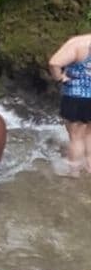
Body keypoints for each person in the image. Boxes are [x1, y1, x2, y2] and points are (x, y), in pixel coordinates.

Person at [48, 33, 91, 175]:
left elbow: (54, 63)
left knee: (76, 137)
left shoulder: (78, 43)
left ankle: (74, 173)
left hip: (77, 96)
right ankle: (89, 168)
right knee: (89, 134)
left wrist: (60, 78)